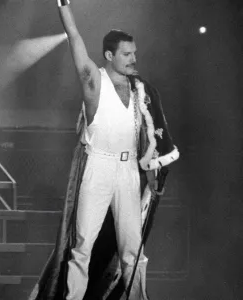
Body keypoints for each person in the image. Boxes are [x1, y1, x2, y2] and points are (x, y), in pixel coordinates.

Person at [28, 0, 179, 299]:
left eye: (134, 53)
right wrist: (63, 5)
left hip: (128, 171)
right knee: (81, 246)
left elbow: (154, 135)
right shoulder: (93, 81)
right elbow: (74, 36)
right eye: (126, 54)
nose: (133, 59)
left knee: (133, 250)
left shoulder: (141, 90)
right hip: (98, 169)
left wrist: (152, 171)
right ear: (109, 55)